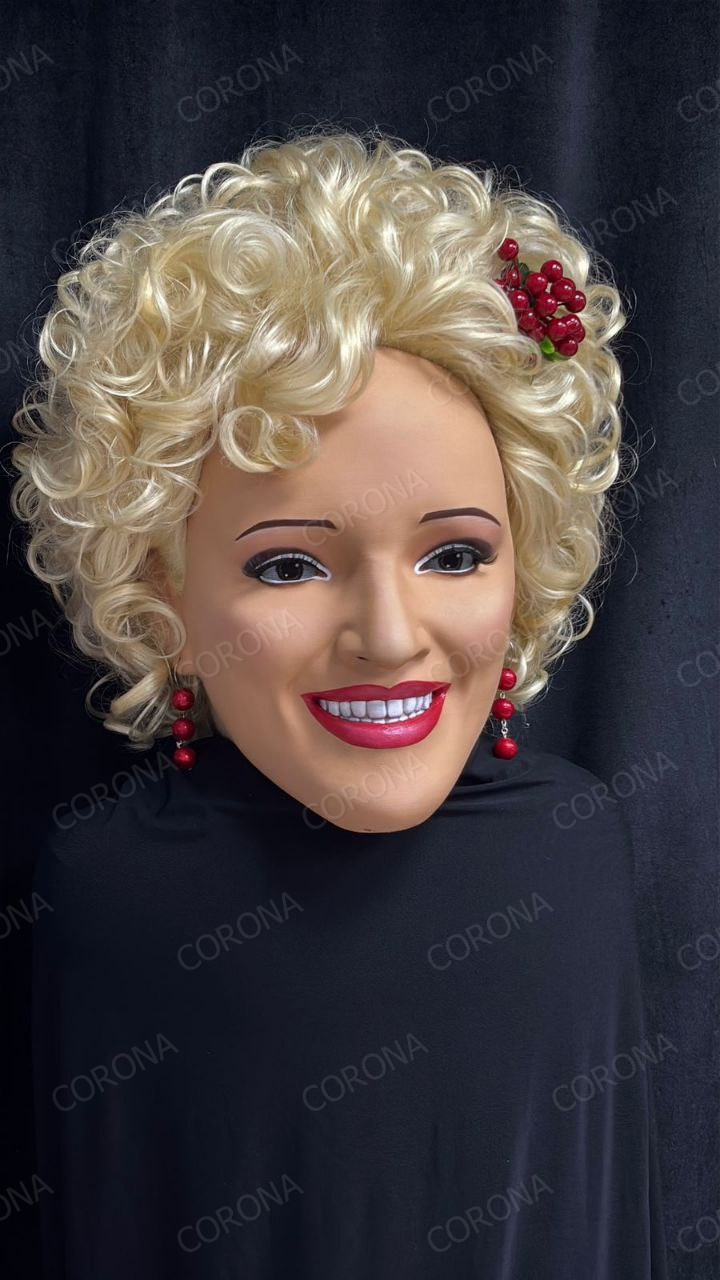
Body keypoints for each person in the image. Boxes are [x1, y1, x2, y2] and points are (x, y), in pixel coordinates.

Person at [10, 128, 668, 1277]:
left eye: (454, 554)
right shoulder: (105, 888)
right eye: (290, 565)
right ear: (164, 591)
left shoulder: (570, 856)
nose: (390, 634)